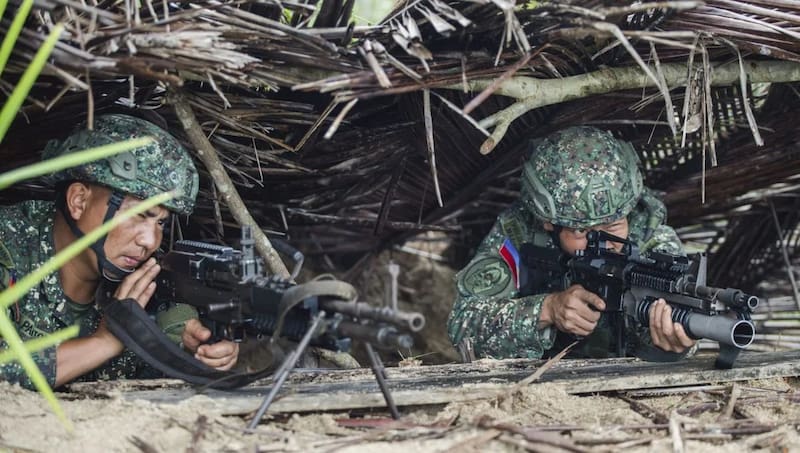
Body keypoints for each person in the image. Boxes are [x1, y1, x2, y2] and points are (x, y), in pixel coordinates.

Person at [0, 114, 239, 389]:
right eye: (138, 214)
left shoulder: (149, 283)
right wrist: (106, 341)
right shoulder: (7, 242)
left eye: (161, 222)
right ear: (79, 200)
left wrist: (194, 349)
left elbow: (172, 336)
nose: (151, 241)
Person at [447, 126, 697, 361]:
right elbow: (462, 325)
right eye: (581, 230)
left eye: (613, 226)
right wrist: (546, 310)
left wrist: (673, 338)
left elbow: (676, 321)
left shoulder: (650, 238)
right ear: (548, 223)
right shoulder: (519, 236)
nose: (603, 243)